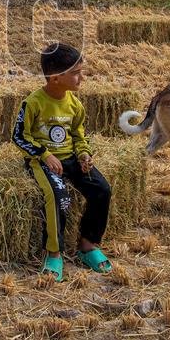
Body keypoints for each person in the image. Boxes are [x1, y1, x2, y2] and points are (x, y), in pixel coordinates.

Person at [12, 43, 112, 281]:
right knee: (59, 197)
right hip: (44, 161)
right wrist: (45, 154)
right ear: (56, 78)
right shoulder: (33, 103)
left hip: (71, 158)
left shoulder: (74, 104)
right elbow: (18, 136)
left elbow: (79, 134)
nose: (81, 77)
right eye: (76, 72)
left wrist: (83, 154)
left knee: (102, 189)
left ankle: (88, 244)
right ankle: (54, 253)